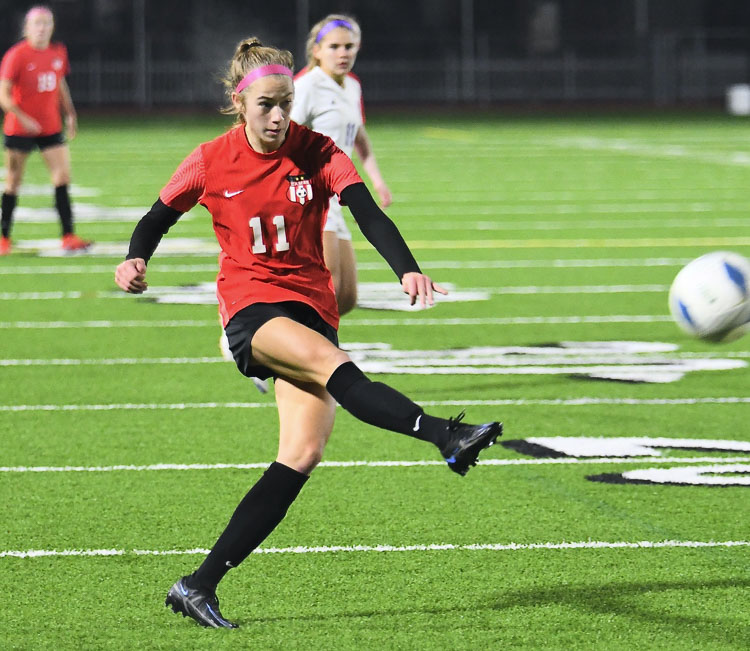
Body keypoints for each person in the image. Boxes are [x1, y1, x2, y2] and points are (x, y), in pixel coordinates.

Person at [115, 37, 502, 630]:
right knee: (336, 369)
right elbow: (156, 217)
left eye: (285, 103)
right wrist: (135, 258)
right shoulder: (209, 160)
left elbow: (366, 209)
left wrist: (407, 267)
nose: (277, 116)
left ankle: (197, 585)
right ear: (239, 103)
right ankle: (445, 435)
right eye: (266, 105)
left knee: (301, 453)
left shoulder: (317, 151)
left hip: (312, 307)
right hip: (252, 312)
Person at [292, 14, 391, 316]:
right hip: (311, 196)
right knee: (326, 287)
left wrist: (377, 180)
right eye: (334, 46)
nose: (343, 53)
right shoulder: (306, 85)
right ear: (317, 50)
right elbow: (282, 136)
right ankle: (271, 337)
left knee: (346, 297)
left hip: (338, 194)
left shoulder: (352, 87)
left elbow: (359, 138)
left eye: (349, 46)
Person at [0, 5, 91, 255]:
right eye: (37, 23)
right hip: (19, 129)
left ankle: (68, 235)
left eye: (46, 23)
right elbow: (3, 95)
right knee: (13, 182)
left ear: (52, 27)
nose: (42, 28)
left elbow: (60, 84)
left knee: (62, 178)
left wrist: (70, 113)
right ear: (26, 28)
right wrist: (21, 116)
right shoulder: (16, 55)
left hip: (50, 127)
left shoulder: (58, 52)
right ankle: (3, 238)